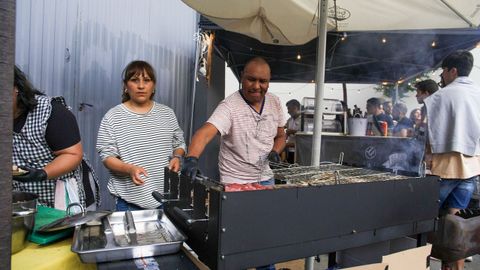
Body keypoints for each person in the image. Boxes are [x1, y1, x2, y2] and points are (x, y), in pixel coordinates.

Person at [182, 56, 285, 270]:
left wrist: (275, 152)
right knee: (236, 242)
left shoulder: (274, 102)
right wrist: (191, 159)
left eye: (262, 81)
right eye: (251, 79)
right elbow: (204, 133)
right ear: (241, 78)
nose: (257, 86)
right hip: (234, 183)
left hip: (265, 181)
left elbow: (281, 135)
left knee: (265, 239)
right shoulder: (229, 106)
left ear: (269, 82)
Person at [96, 60, 186, 211]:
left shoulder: (167, 113)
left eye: (147, 80)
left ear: (154, 86)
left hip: (168, 199)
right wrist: (129, 169)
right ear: (125, 86)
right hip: (130, 204)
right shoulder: (113, 116)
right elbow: (107, 157)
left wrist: (177, 157)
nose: (141, 86)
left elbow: (179, 144)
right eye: (134, 80)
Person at [424, 50, 480, 270]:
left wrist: (427, 156)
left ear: (453, 70)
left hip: (444, 170)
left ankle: (421, 263)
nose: (442, 76)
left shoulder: (440, 96)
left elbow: (429, 133)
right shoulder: (478, 92)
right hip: (472, 169)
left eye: (444, 71)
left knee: (423, 221)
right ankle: (451, 267)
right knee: (454, 226)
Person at [12, 66, 89, 211]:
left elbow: (73, 154)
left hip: (62, 198)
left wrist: (41, 173)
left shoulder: (50, 112)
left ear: (16, 88)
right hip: (21, 202)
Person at [284, 99, 301, 164]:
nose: (288, 111)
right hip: (290, 150)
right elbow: (285, 132)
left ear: (295, 108)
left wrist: (293, 131)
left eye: (289, 108)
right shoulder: (289, 120)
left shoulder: (303, 120)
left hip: (299, 152)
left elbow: (306, 136)